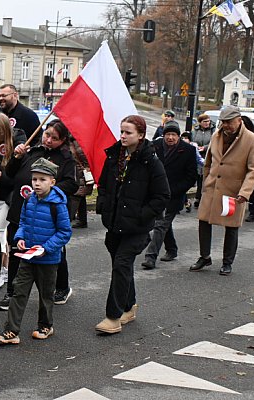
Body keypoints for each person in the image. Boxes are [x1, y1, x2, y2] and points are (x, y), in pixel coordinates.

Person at [95, 115, 169, 334]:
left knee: (121, 265)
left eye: (128, 132)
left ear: (141, 135)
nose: (123, 136)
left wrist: (141, 215)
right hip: (115, 223)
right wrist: (104, 207)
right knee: (122, 267)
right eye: (122, 131)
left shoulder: (150, 161)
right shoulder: (115, 156)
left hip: (137, 228)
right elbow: (104, 185)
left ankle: (113, 317)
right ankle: (129, 306)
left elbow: (162, 195)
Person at [0, 119, 77, 311]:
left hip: (47, 215)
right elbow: (10, 173)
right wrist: (17, 157)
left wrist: (47, 191)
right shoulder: (32, 151)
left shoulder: (65, 158)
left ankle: (61, 287)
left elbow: (72, 184)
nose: (48, 140)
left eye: (54, 138)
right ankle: (12, 292)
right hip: (20, 209)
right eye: (47, 134)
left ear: (63, 140)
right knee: (16, 250)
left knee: (54, 253)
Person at [0, 158, 71, 346]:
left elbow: (64, 232)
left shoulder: (57, 204)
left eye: (42, 179)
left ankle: (45, 325)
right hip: (27, 257)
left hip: (48, 259)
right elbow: (23, 223)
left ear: (52, 181)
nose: (37, 183)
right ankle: (11, 331)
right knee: (18, 292)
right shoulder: (29, 199)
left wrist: (46, 248)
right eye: (34, 179)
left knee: (46, 295)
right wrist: (20, 238)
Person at [191, 106, 254, 276]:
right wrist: (206, 181)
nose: (226, 125)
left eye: (229, 122)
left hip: (234, 191)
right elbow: (208, 162)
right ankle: (205, 256)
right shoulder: (216, 135)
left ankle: (227, 262)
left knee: (231, 227)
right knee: (203, 222)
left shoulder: (251, 139)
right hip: (212, 187)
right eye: (223, 122)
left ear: (239, 120)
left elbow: (253, 169)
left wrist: (245, 192)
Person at [141, 121, 198, 270]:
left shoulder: (188, 150)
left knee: (161, 224)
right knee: (164, 224)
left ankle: (150, 257)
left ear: (178, 136)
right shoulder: (155, 146)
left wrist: (175, 190)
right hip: (155, 193)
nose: (170, 138)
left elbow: (191, 176)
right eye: (168, 134)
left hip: (174, 195)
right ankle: (172, 249)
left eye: (173, 135)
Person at [0, 114, 24, 292]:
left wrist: (3, 177)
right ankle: (2, 268)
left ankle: (2, 271)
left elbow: (18, 176)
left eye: (1, 131)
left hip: (10, 197)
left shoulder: (17, 140)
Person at [66, 136, 91, 228]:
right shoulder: (73, 141)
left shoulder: (77, 142)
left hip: (79, 173)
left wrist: (86, 167)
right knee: (80, 196)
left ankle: (66, 223)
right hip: (77, 172)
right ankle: (82, 220)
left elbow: (85, 157)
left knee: (75, 197)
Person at [191, 113, 214, 207]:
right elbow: (192, 140)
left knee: (206, 178)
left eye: (208, 121)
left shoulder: (213, 130)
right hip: (197, 156)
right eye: (205, 121)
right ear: (200, 122)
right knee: (198, 178)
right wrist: (195, 146)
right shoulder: (195, 130)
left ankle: (204, 198)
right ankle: (198, 197)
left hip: (209, 156)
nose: (207, 123)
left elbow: (214, 143)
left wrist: (204, 148)